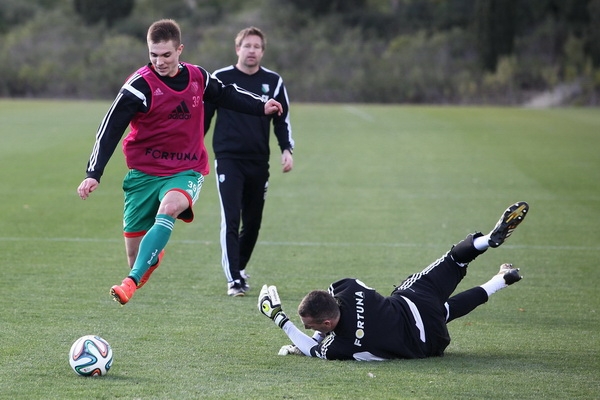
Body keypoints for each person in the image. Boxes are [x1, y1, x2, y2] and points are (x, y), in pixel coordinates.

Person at [76, 19, 283, 305]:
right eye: (153, 54)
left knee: (171, 207)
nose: (159, 61)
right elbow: (110, 128)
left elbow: (226, 94)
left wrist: (260, 106)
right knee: (136, 256)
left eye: (166, 54)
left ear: (179, 50)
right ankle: (149, 252)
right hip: (143, 175)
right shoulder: (139, 86)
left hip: (186, 169)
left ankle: (129, 282)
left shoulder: (198, 77)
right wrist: (93, 173)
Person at [258, 201, 529, 360]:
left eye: (310, 325)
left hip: (427, 341)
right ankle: (486, 241)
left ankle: (502, 280)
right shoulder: (347, 287)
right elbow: (327, 314)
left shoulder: (343, 345)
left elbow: (315, 348)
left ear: (328, 324)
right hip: (416, 299)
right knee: (454, 261)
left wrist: (279, 319)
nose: (309, 329)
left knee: (443, 312)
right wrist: (319, 326)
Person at [203, 27, 295, 297]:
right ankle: (234, 280)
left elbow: (282, 119)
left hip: (258, 160)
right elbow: (204, 118)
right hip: (228, 159)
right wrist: (194, 148)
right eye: (247, 45)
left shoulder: (274, 81)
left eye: (257, 46)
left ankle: (239, 268)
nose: (252, 50)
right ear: (237, 49)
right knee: (231, 218)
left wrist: (286, 149)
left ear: (262, 51)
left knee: (253, 222)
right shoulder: (220, 78)